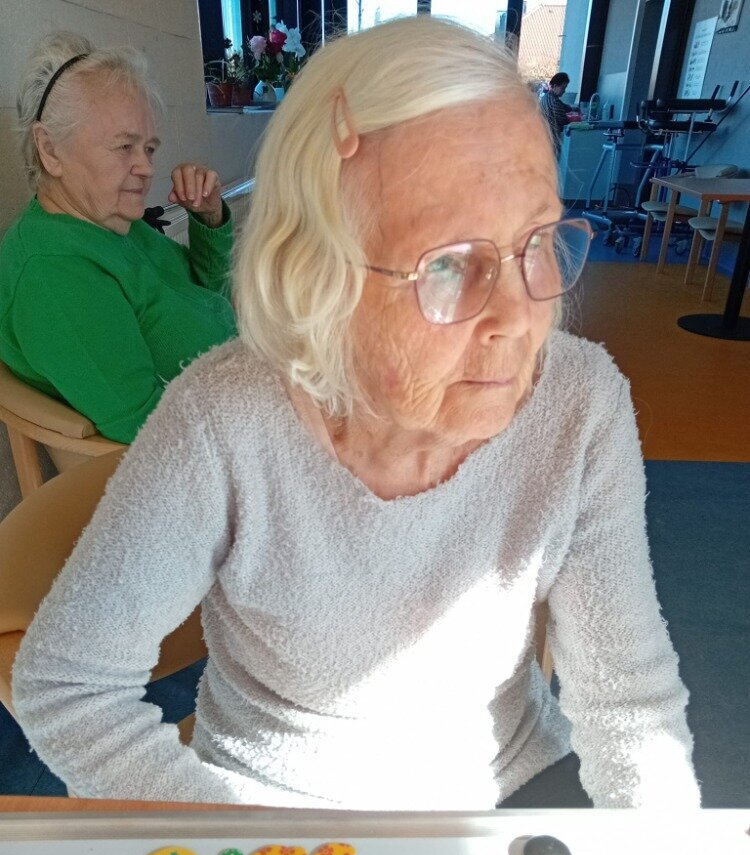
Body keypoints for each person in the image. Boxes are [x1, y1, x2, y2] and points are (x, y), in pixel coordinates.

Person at [13, 17, 700, 810]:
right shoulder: (221, 420)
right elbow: (67, 686)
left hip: (503, 790)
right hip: (272, 809)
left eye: (537, 240)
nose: (521, 320)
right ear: (317, 277)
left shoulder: (580, 400)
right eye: (449, 264)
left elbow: (630, 704)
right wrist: (243, 849)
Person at [0, 32, 236, 445]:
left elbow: (211, 298)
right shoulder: (54, 270)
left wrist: (209, 218)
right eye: (125, 146)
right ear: (50, 150)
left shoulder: (112, 224)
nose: (146, 167)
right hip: (211, 446)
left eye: (149, 148)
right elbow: (149, 429)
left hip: (235, 388)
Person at [539, 71, 574, 157]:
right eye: (563, 88)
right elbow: (564, 122)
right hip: (552, 138)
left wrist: (572, 108)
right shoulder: (554, 101)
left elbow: (562, 106)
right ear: (555, 86)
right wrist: (577, 122)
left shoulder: (546, 97)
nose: (564, 91)